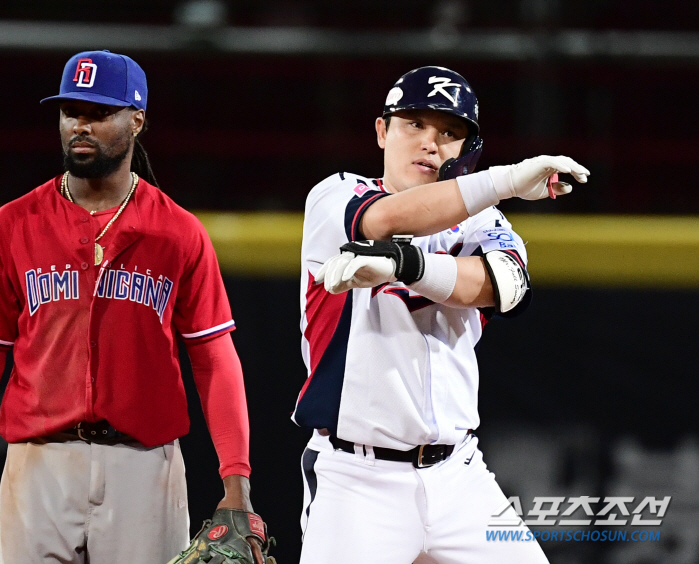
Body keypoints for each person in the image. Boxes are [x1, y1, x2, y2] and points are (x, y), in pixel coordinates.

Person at [293, 66, 590, 564]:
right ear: (382, 131)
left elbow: (507, 287)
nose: (431, 144)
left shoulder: (483, 218)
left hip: (459, 475)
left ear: (465, 150)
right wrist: (508, 180)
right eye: (415, 125)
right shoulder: (335, 194)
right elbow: (384, 218)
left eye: (449, 132)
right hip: (357, 479)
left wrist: (405, 265)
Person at [0, 50, 268, 563]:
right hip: (38, 462)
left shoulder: (179, 232)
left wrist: (237, 481)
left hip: (144, 468)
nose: (81, 125)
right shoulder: (14, 225)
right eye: (70, 111)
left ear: (137, 119)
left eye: (99, 113)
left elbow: (214, 358)